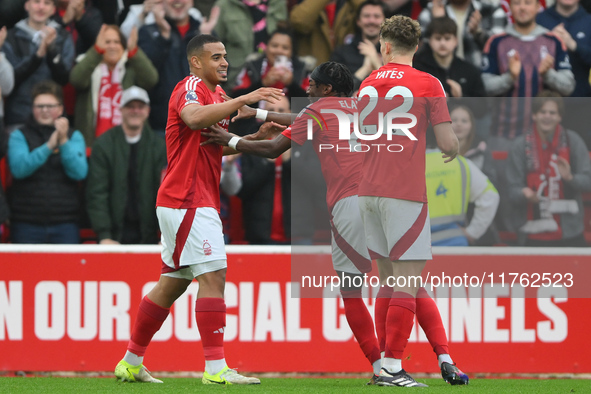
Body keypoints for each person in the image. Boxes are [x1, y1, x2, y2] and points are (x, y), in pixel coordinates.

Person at [201, 61, 468, 386]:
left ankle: (380, 367)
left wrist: (229, 140)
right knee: (406, 283)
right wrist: (259, 114)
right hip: (381, 198)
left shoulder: (318, 110)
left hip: (347, 205)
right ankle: (444, 357)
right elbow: (304, 118)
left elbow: (273, 149)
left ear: (325, 89)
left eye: (311, 83)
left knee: (352, 291)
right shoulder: (361, 106)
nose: (306, 88)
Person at [113, 33, 284, 384]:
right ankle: (215, 369)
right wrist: (246, 97)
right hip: (188, 198)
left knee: (171, 284)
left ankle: (130, 362)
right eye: (216, 57)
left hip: (189, 198)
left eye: (225, 56)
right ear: (196, 62)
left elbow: (209, 146)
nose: (224, 62)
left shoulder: (215, 94)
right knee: (213, 276)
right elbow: (192, 119)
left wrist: (250, 139)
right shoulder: (190, 87)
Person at [356, 15, 462, 386]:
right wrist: (453, 145)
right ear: (417, 46)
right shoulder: (428, 82)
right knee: (407, 280)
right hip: (404, 191)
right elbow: (448, 143)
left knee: (391, 280)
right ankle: (392, 365)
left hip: (367, 190)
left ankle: (385, 365)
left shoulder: (367, 83)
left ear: (384, 45)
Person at [481, 0, 575, 141]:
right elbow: (485, 87)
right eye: (517, 3)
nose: (522, 7)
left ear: (538, 7)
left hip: (546, 137)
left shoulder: (553, 41)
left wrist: (547, 74)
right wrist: (510, 77)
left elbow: (568, 87)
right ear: (510, 7)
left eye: (528, 2)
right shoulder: (496, 42)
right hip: (505, 134)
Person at [7, 80, 87, 244]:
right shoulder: (19, 135)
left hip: (65, 222)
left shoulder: (74, 136)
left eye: (50, 106)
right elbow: (19, 169)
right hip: (26, 222)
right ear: (32, 108)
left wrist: (63, 142)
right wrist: (49, 146)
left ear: (61, 109)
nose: (44, 111)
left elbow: (80, 172)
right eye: (39, 106)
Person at [507, 91, 591, 246]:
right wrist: (524, 193)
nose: (547, 116)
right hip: (531, 233)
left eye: (552, 113)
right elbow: (511, 190)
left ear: (560, 117)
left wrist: (570, 178)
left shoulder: (573, 141)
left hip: (569, 232)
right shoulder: (519, 145)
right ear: (534, 115)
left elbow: (588, 181)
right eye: (542, 112)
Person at [86, 86, 166, 245]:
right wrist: (104, 235)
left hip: (149, 235)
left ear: (147, 111)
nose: (135, 111)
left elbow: (167, 193)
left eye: (140, 107)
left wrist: (166, 235)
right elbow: (97, 193)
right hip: (112, 236)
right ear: (121, 110)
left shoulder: (159, 146)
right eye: (130, 106)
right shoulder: (104, 144)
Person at [70, 24, 158, 146]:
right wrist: (96, 52)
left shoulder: (131, 67)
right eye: (107, 42)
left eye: (117, 42)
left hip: (128, 143)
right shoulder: (89, 65)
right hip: (94, 144)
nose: (112, 46)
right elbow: (76, 80)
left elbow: (151, 79)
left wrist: (134, 52)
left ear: (123, 46)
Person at [137, 0, 214, 135]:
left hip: (201, 125)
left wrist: (207, 45)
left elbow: (221, 75)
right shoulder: (148, 32)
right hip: (162, 127)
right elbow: (144, 75)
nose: (177, 1)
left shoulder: (203, 31)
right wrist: (163, 37)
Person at [3, 0, 75, 128]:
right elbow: (10, 79)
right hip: (19, 116)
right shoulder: (11, 37)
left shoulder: (63, 37)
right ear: (26, 5)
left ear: (53, 9)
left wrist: (51, 50)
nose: (41, 7)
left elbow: (64, 78)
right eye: (36, 2)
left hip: (53, 117)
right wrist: (38, 55)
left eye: (47, 3)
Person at [426, 148, 499, 246]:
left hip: (418, 247)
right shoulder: (460, 163)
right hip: (456, 243)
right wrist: (473, 232)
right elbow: (490, 196)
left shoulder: (409, 166)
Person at [213, 0, 287, 90]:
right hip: (236, 79)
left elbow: (287, 38)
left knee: (279, 102)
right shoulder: (225, 4)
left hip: (276, 76)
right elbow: (214, 47)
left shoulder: (278, 3)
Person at [418, 0, 508, 68]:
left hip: (480, 81)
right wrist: (438, 22)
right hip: (441, 80)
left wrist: (478, 33)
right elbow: (418, 52)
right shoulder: (431, 10)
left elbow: (500, 50)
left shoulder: (491, 10)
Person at [414, 17, 486, 99]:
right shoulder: (417, 70)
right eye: (438, 38)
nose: (442, 43)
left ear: (455, 41)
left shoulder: (470, 71)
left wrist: (460, 97)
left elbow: (482, 106)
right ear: (430, 41)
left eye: (447, 38)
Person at [330, 0, 386, 92]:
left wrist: (376, 62)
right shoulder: (341, 53)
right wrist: (365, 68)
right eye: (366, 16)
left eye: (377, 16)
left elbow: (397, 90)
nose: (371, 21)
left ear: (385, 21)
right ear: (358, 21)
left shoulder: (393, 53)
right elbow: (336, 93)